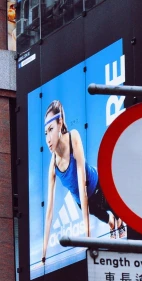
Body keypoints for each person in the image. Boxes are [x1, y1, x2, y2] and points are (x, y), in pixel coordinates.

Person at [41, 100, 124, 262]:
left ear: (60, 123)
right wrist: (43, 252)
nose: (48, 138)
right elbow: (49, 211)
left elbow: (82, 182)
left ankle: (118, 220)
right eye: (45, 133)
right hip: (81, 201)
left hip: (96, 185)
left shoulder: (73, 137)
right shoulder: (52, 165)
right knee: (102, 215)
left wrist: (88, 239)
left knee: (112, 208)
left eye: (51, 129)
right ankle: (112, 222)